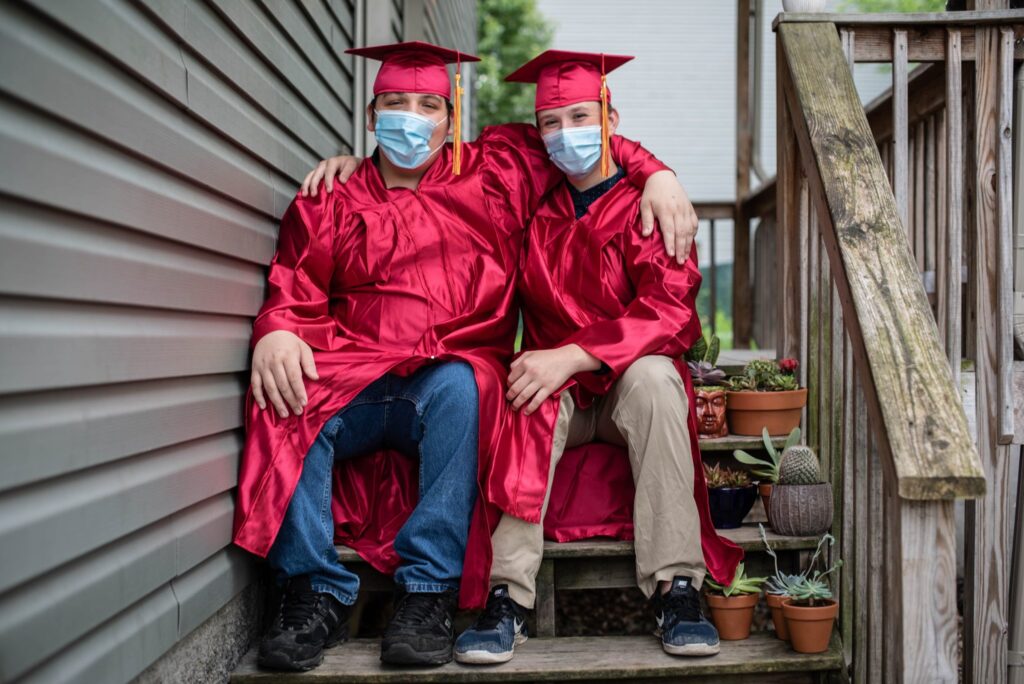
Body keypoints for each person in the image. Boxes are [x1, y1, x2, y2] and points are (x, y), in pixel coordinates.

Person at [235, 41, 688, 672]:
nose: (411, 118)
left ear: (453, 116)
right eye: (395, 103)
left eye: (428, 105)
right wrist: (279, 326)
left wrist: (657, 172)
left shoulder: (496, 171)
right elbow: (294, 281)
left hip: (446, 377)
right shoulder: (331, 197)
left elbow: (582, 142)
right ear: (371, 115)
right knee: (284, 390)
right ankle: (312, 590)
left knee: (467, 386)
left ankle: (428, 592)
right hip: (355, 373)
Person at [451, 51, 743, 665]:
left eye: (580, 116)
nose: (565, 135)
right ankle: (507, 598)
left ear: (611, 117)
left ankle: (677, 587)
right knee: (527, 385)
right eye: (550, 122)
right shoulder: (535, 204)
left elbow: (671, 312)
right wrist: (352, 162)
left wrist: (577, 355)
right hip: (561, 396)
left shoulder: (648, 205)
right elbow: (469, 155)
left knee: (661, 377)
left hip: (623, 389)